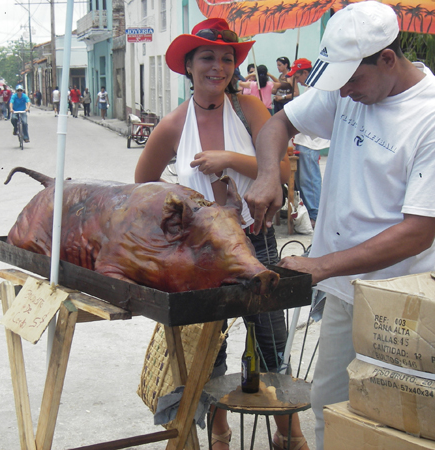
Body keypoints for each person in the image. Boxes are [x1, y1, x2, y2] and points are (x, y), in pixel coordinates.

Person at [243, 3, 435, 450]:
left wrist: (322, 264)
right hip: (345, 288)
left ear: (388, 58)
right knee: (329, 406)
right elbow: (279, 123)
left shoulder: (428, 118)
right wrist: (269, 172)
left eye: (352, 80)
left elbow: (420, 231)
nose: (344, 93)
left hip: (401, 302)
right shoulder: (347, 89)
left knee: (395, 425)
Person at [134, 18, 306, 450]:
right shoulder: (173, 126)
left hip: (258, 241)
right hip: (202, 257)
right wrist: (180, 216)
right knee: (208, 354)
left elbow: (282, 174)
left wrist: (228, 158)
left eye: (226, 58)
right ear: (188, 66)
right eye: (207, 57)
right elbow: (142, 190)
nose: (218, 66)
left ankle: (289, 435)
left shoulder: (250, 112)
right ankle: (219, 433)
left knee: (271, 343)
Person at [287, 58, 330, 228]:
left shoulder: (317, 89)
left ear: (305, 72)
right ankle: (312, 213)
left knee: (309, 181)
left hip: (310, 142)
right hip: (302, 140)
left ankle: (316, 215)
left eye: (298, 76)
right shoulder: (309, 89)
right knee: (302, 181)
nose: (297, 80)